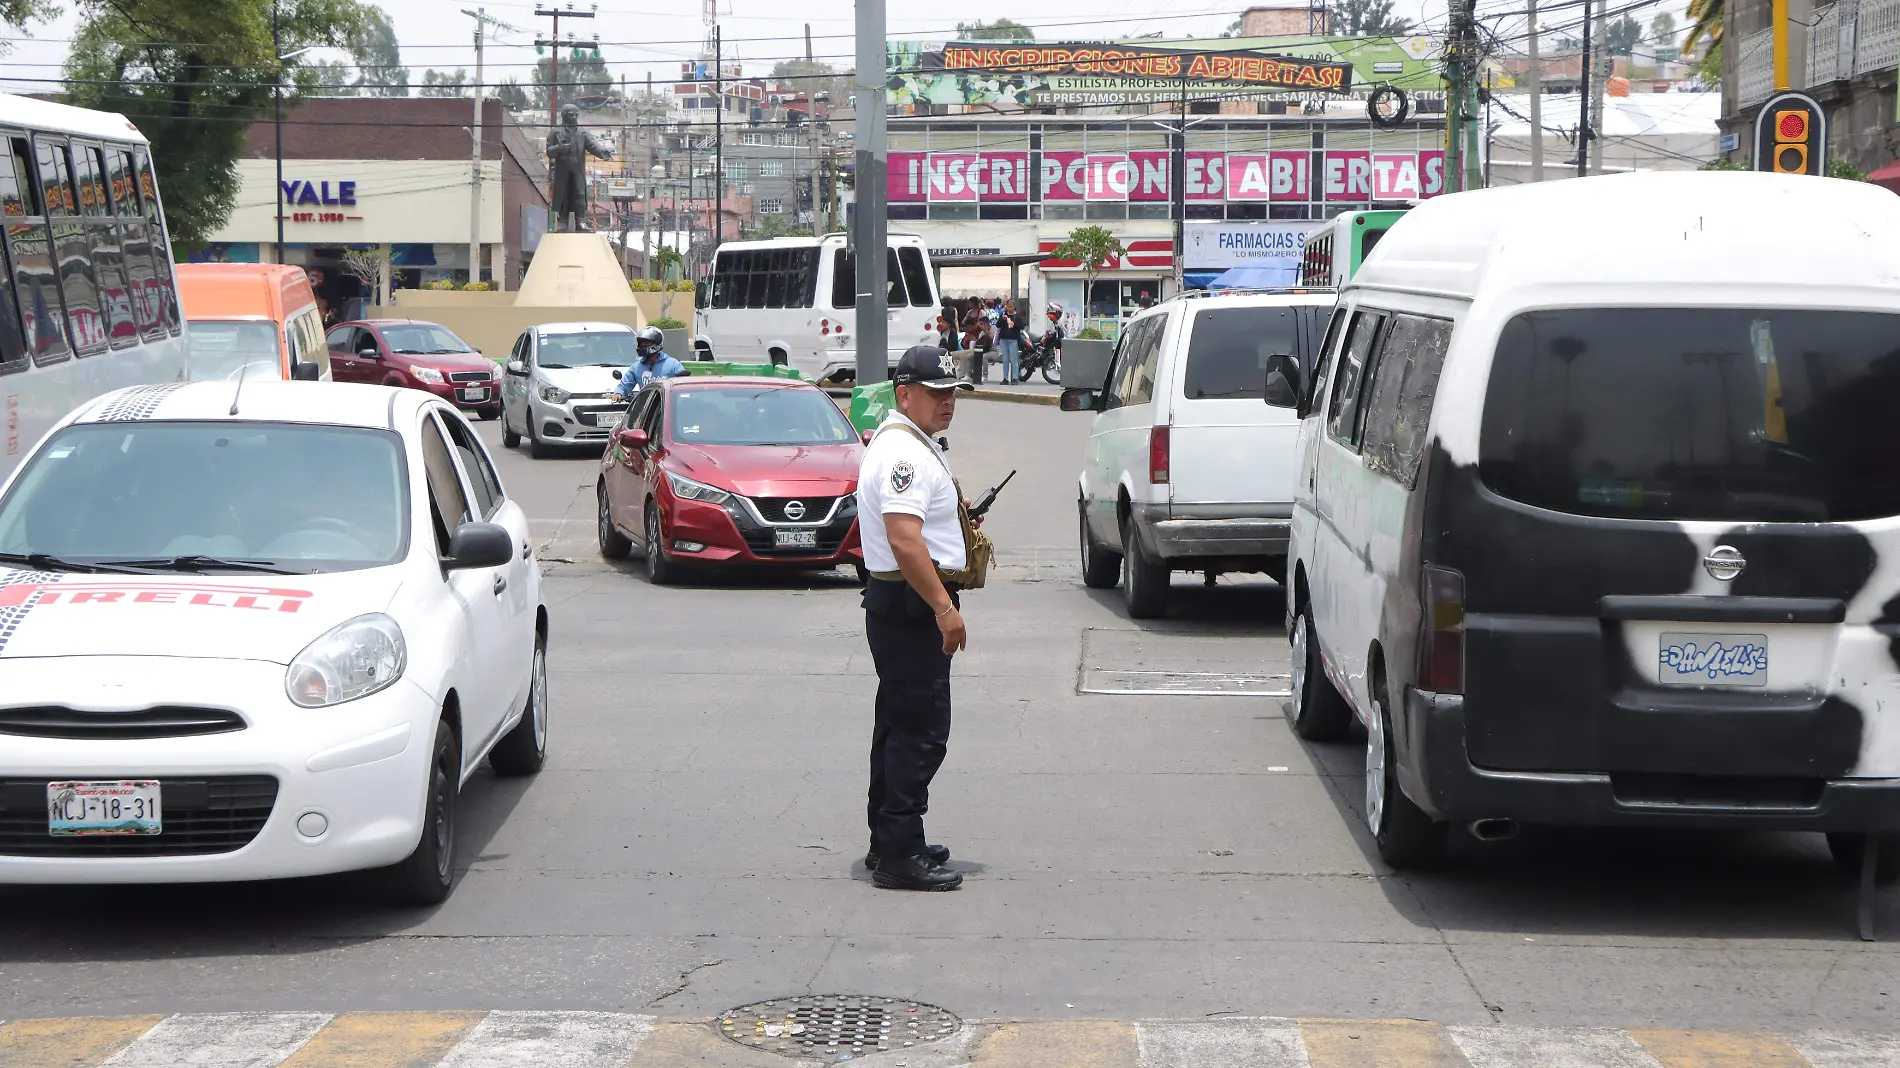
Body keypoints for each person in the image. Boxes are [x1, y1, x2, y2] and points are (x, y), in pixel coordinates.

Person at [856, 346, 984, 891]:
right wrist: (944, 608)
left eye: (952, 392)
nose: (947, 402)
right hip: (910, 608)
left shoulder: (910, 443)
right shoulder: (903, 455)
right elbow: (904, 541)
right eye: (936, 393)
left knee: (898, 727)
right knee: (920, 730)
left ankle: (889, 838)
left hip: (900, 604)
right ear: (903, 394)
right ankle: (900, 853)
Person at [613, 325, 684, 400]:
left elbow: (684, 385)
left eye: (646, 342)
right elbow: (624, 386)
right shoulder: (636, 367)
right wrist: (618, 393)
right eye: (641, 343)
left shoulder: (673, 364)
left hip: (668, 407)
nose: (643, 345)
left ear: (657, 342)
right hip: (647, 409)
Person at [996, 300, 1023, 384]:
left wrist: (1013, 324)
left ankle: (1015, 378)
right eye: (1008, 306)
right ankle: (1005, 378)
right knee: (1005, 360)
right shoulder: (1004, 315)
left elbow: (1022, 326)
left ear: (1014, 307)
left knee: (1014, 359)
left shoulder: (1017, 316)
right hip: (1003, 339)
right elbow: (997, 325)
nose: (1010, 308)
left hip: (1013, 339)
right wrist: (1002, 318)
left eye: (1011, 306)